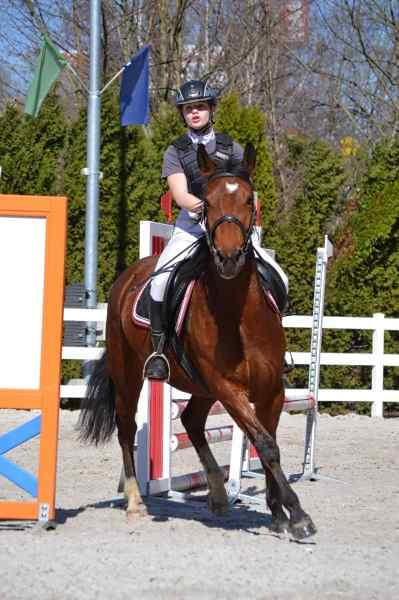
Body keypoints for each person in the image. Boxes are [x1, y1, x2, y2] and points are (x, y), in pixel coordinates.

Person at [143, 79, 289, 381]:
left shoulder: (230, 148)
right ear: (183, 114)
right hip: (192, 226)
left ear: (211, 109)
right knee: (159, 283)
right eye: (188, 109)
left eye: (199, 107)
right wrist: (208, 211)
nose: (194, 113)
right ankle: (158, 352)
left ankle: (278, 342)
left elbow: (246, 185)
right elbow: (180, 195)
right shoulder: (176, 151)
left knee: (278, 274)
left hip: (231, 227)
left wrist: (235, 217)